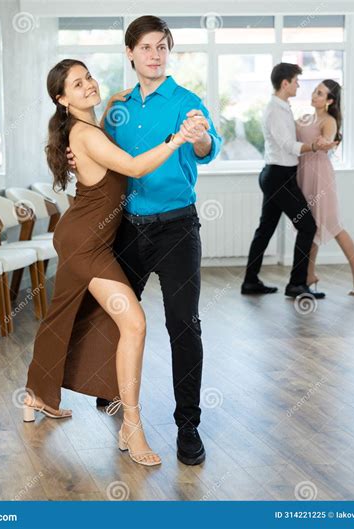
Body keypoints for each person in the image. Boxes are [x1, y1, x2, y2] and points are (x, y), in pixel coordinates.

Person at [24, 58, 209, 468]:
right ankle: (132, 425)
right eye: (77, 83)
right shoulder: (85, 135)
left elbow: (104, 127)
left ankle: (36, 394)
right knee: (135, 322)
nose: (88, 84)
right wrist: (178, 137)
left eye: (88, 76)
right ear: (62, 98)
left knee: (63, 314)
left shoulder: (91, 127)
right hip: (87, 243)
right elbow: (134, 166)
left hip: (85, 237)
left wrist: (110, 100)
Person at [67, 15, 222, 465]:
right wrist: (79, 153)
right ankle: (113, 392)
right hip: (128, 228)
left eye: (162, 47)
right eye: (147, 47)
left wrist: (197, 137)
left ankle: (187, 425)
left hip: (177, 229)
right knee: (117, 317)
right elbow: (102, 156)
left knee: (183, 325)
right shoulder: (118, 107)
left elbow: (207, 146)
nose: (155, 55)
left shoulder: (186, 102)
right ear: (130, 53)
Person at [241, 63, 336, 299]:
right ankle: (296, 284)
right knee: (308, 226)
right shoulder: (275, 110)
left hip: (280, 175)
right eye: (296, 81)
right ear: (285, 83)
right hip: (279, 177)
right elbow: (287, 145)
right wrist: (315, 146)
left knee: (265, 229)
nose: (298, 85)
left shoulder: (283, 107)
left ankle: (250, 281)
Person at [296, 80, 354, 295]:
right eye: (314, 91)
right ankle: (309, 275)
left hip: (321, 177)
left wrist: (326, 142)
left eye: (320, 93)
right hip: (304, 175)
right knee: (310, 227)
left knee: (334, 225)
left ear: (330, 101)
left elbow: (327, 139)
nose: (314, 95)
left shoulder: (329, 121)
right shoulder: (304, 118)